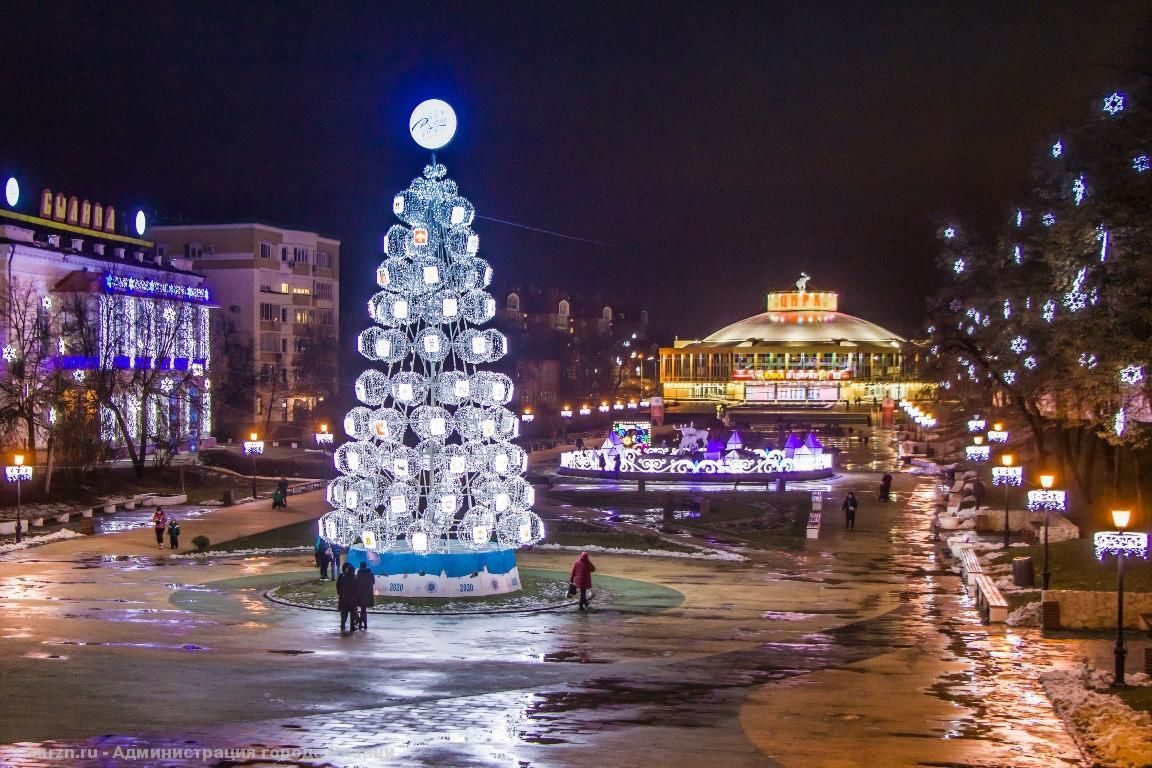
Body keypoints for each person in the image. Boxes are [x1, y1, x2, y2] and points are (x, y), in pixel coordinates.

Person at [336, 563, 358, 632]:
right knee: (352, 613)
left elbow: (338, 586)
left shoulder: (342, 577)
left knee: (344, 613)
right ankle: (352, 626)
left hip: (344, 597)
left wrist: (340, 593)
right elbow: (357, 589)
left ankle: (343, 625)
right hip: (352, 599)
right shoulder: (354, 579)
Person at [355, 562, 376, 630]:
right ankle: (364, 624)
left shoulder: (359, 573)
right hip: (368, 593)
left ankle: (361, 624)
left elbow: (357, 582)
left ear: (360, 566)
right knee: (364, 610)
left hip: (360, 593)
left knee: (362, 609)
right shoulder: (370, 573)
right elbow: (373, 582)